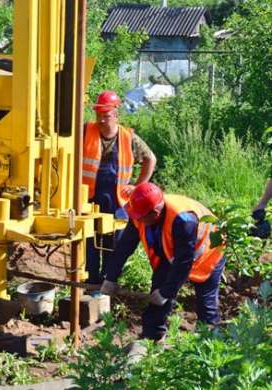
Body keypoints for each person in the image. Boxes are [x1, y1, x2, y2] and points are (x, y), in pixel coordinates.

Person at [100, 182, 225, 341]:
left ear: (155, 213)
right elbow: (125, 246)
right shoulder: (139, 213)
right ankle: (152, 340)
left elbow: (183, 262)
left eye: (141, 217)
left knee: (206, 305)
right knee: (156, 305)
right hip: (173, 254)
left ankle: (210, 345)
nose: (137, 219)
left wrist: (166, 292)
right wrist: (111, 277)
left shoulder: (184, 220)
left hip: (209, 254)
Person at [83, 90, 157, 284]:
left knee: (115, 244)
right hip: (90, 199)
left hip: (118, 202)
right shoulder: (85, 132)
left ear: (116, 114)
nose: (101, 120)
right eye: (98, 115)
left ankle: (109, 284)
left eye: (106, 116)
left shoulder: (128, 138)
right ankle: (91, 281)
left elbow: (150, 159)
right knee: (90, 242)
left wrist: (138, 186)